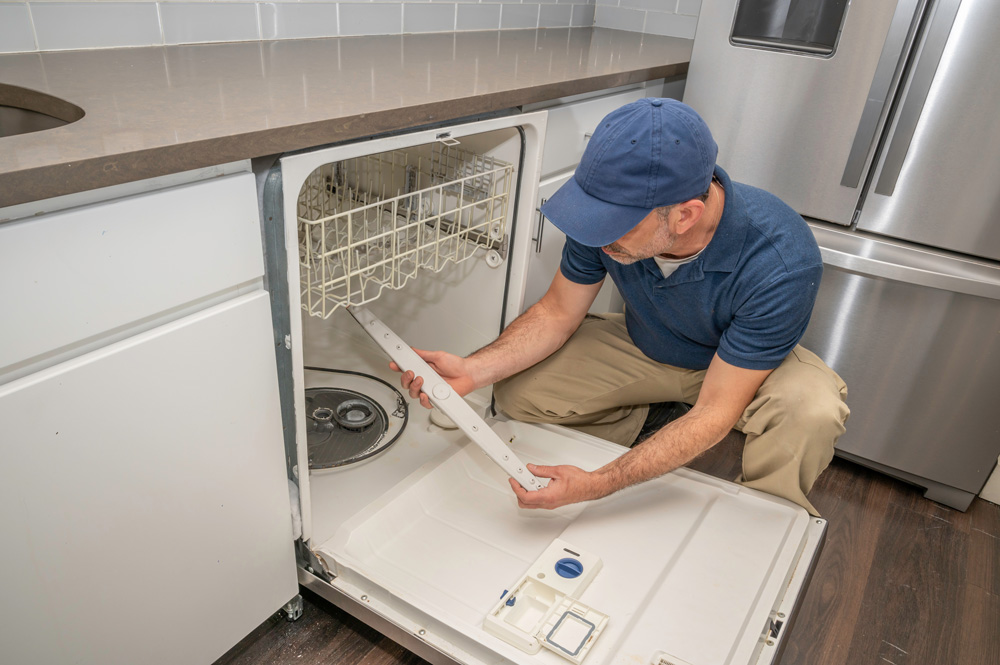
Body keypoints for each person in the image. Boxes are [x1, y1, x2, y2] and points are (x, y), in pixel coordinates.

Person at [394, 98, 849, 516]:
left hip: (742, 372)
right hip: (648, 343)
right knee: (517, 392)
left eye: (612, 226)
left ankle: (760, 517)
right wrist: (472, 370)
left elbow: (715, 409)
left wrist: (598, 484)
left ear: (685, 215)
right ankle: (651, 420)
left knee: (810, 411)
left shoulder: (782, 260)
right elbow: (556, 313)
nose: (597, 235)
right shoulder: (607, 221)